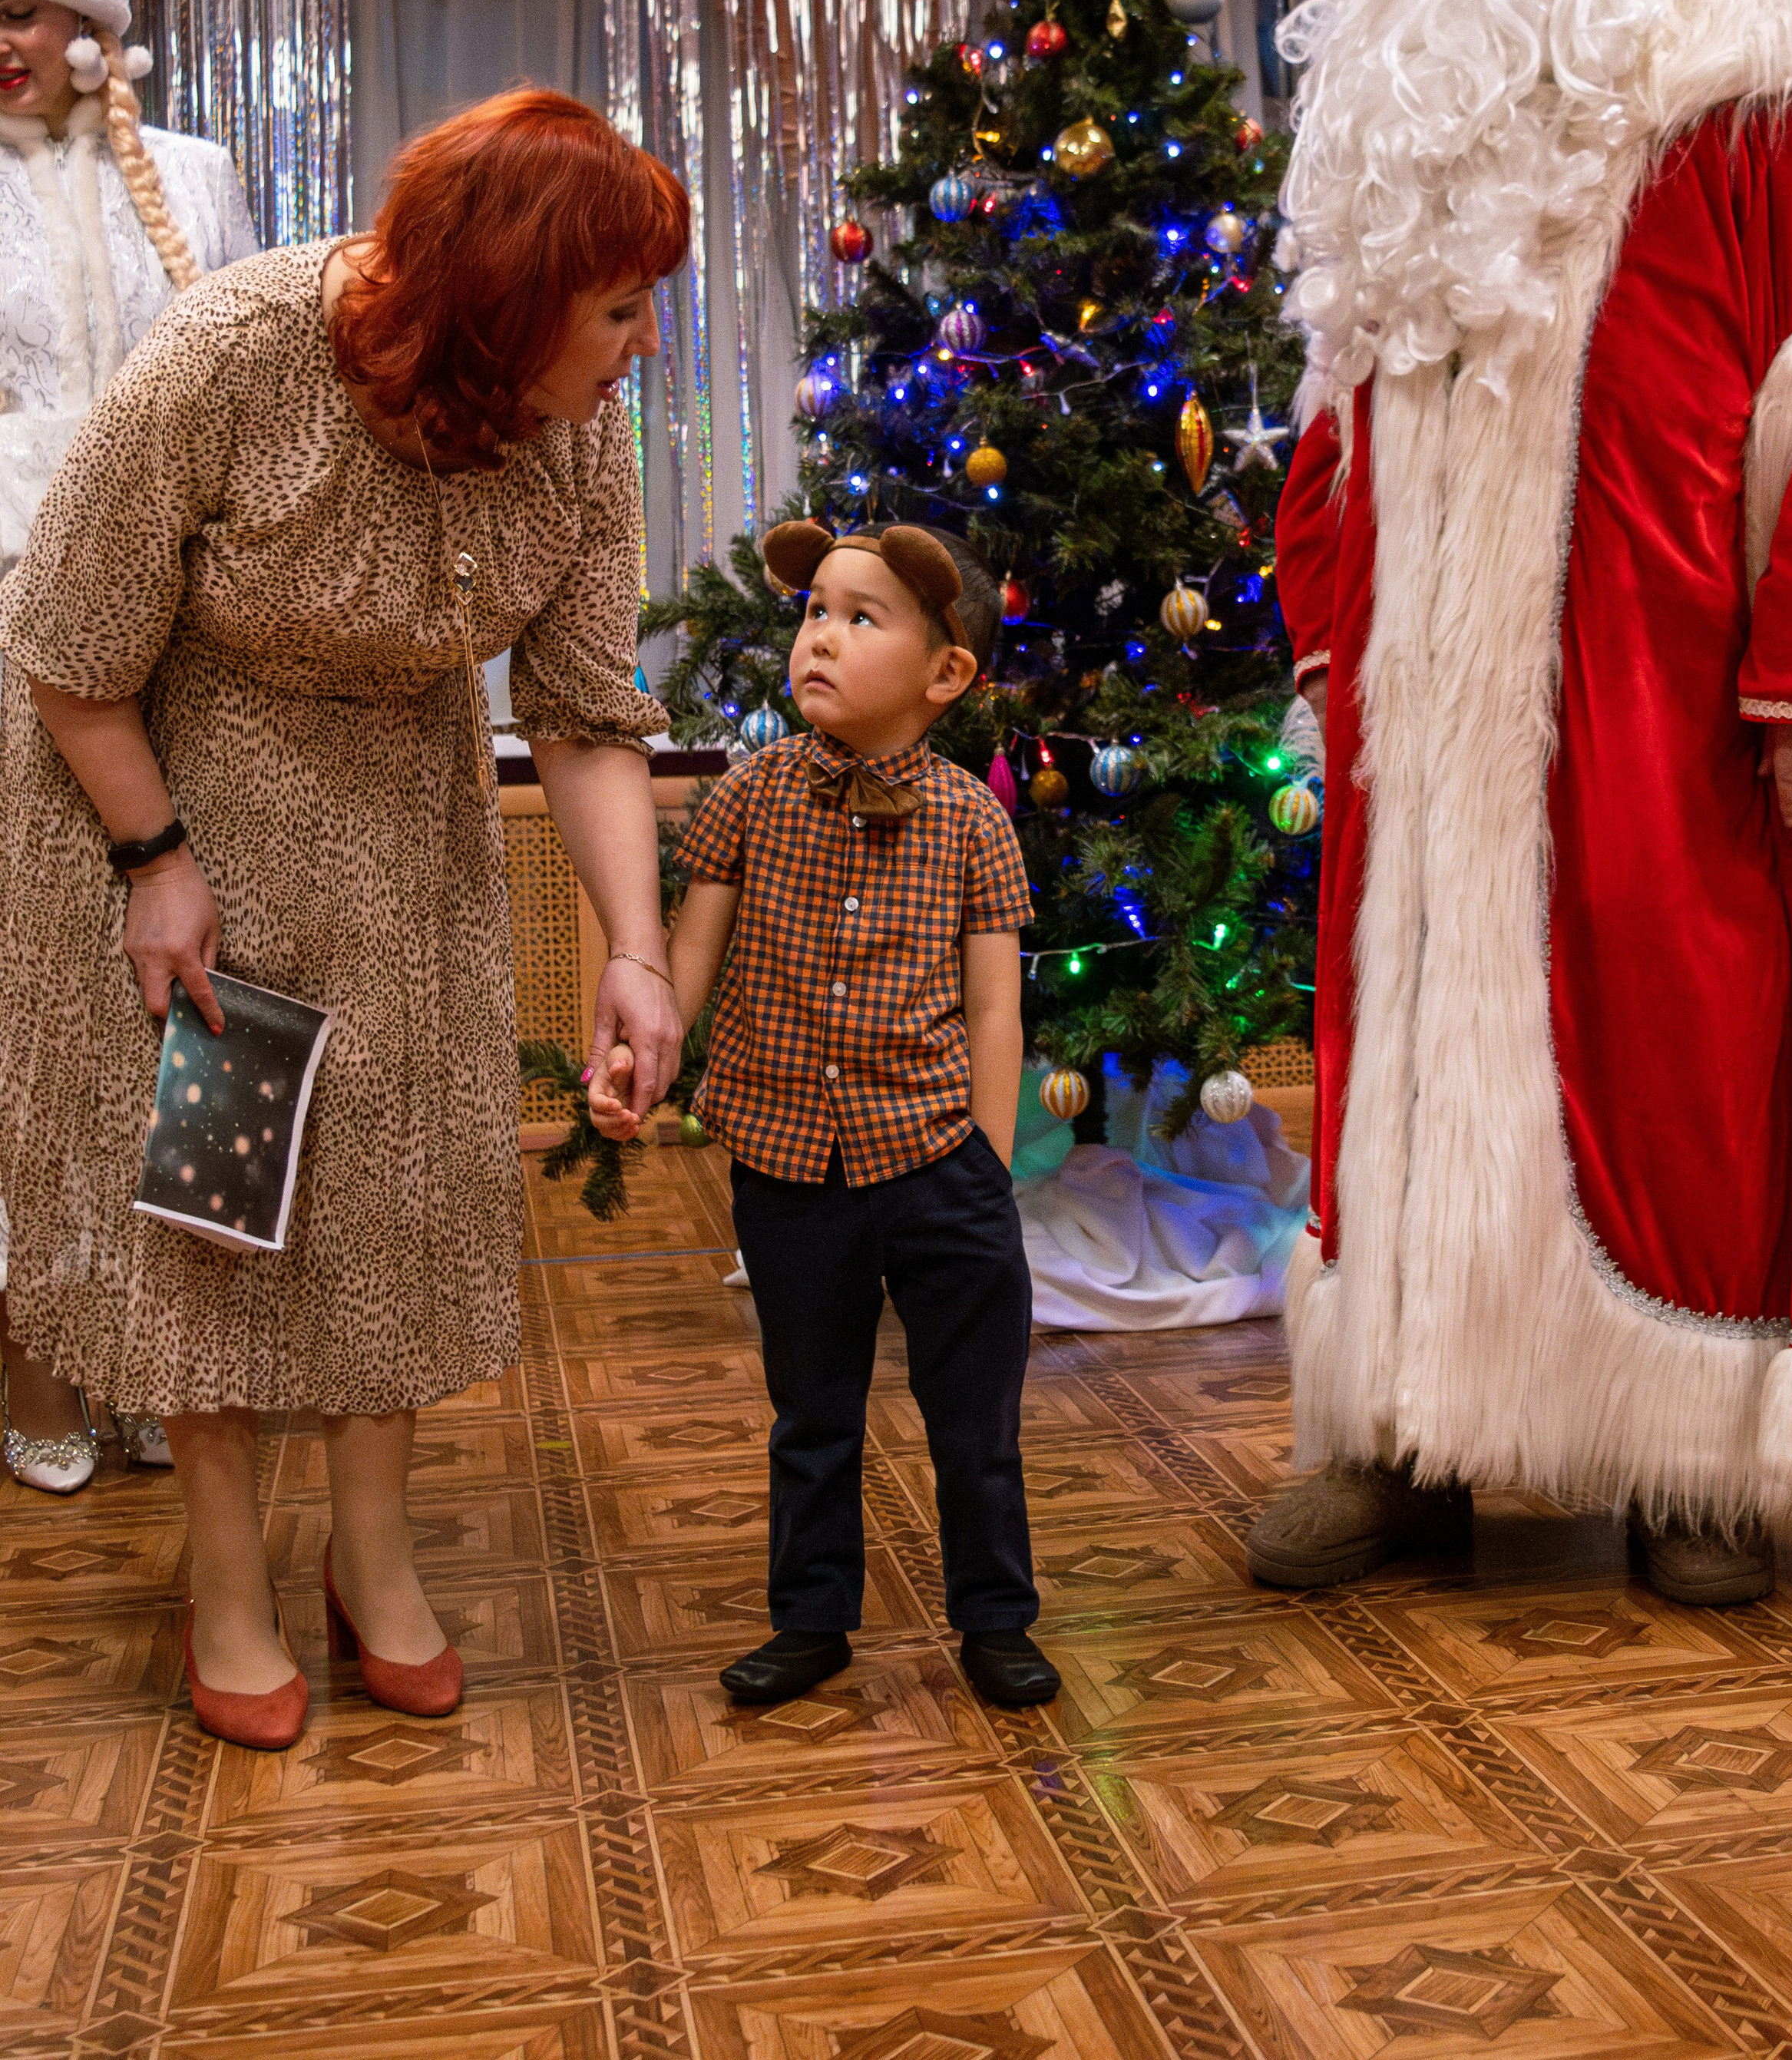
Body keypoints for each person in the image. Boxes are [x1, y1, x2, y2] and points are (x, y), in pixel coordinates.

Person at [1251, 0, 1792, 1607]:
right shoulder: (1396, 80)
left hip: (1650, 672)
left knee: (1674, 1028)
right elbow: (1341, 385)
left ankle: (1684, 1450)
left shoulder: (1763, 49)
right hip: (1417, 685)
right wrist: (1328, 608)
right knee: (1392, 1037)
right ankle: (1403, 1432)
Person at [0, 87, 687, 1745]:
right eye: (613, 306)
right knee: (220, 1211)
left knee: (391, 1192)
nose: (640, 341)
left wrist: (633, 951)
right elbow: (66, 654)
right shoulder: (233, 354)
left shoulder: (575, 425)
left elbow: (589, 712)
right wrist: (156, 862)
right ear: (503, 298)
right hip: (177, 809)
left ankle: (374, 1559)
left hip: (404, 829)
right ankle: (226, 1582)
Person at [591, 519, 1059, 1708]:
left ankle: (995, 1618)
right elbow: (685, 960)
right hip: (792, 1162)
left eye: (862, 618)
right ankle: (811, 1619)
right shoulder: (749, 796)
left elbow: (996, 1012)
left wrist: (988, 1172)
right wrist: (642, 1062)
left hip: (938, 1156)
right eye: (814, 613)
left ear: (945, 673)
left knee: (974, 1422)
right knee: (813, 1413)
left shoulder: (973, 820)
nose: (821, 638)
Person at [0, 0, 260, 1492]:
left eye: (24, 10)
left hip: (188, 656)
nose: (4, 45)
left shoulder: (202, 184)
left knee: (185, 1008)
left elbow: (246, 408)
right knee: (31, 1014)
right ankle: (40, 1371)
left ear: (93, 29)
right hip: (16, 654)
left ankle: (178, 1366)